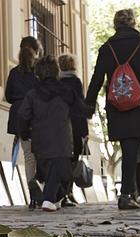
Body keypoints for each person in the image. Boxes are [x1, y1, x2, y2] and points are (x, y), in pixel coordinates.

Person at [84, 9, 140, 210]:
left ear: (116, 25)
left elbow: (97, 79)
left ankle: (129, 192)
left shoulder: (107, 48)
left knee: (128, 146)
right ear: (133, 23)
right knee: (132, 147)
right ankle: (126, 194)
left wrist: (89, 106)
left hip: (116, 105)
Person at [19, 55, 76, 212]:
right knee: (62, 174)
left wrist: (24, 133)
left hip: (40, 141)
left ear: (37, 74)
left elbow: (23, 115)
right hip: (62, 140)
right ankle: (48, 199)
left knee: (48, 172)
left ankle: (44, 192)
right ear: (56, 72)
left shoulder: (32, 94)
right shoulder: (66, 92)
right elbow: (78, 112)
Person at [5, 36, 43, 209]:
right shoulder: (40, 72)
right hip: (37, 115)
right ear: (36, 51)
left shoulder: (14, 72)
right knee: (42, 155)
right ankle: (43, 190)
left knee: (28, 157)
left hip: (20, 115)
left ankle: (32, 195)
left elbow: (9, 96)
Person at [58, 54, 89, 206]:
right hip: (76, 125)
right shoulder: (75, 81)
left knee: (62, 159)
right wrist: (85, 131)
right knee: (73, 160)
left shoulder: (56, 81)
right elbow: (80, 105)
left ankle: (63, 192)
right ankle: (68, 192)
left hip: (60, 125)